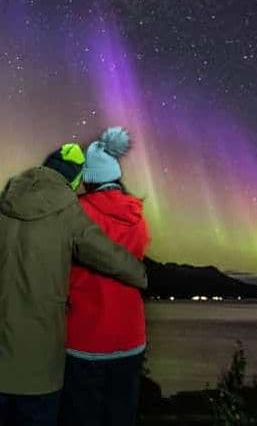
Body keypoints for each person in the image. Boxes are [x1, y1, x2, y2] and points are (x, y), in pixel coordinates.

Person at [0, 142, 148, 426]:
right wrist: (141, 274)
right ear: (74, 180)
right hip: (38, 374)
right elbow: (109, 256)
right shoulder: (69, 214)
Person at [61, 127, 150, 426]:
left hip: (85, 337)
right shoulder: (138, 217)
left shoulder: (76, 213)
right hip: (130, 336)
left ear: (87, 178)